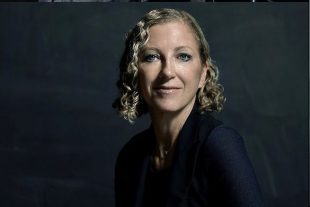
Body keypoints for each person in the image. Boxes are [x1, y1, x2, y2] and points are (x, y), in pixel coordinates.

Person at [113, 8, 264, 207]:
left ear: (203, 74)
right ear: (135, 72)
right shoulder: (130, 155)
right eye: (152, 57)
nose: (167, 72)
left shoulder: (220, 144)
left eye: (183, 56)